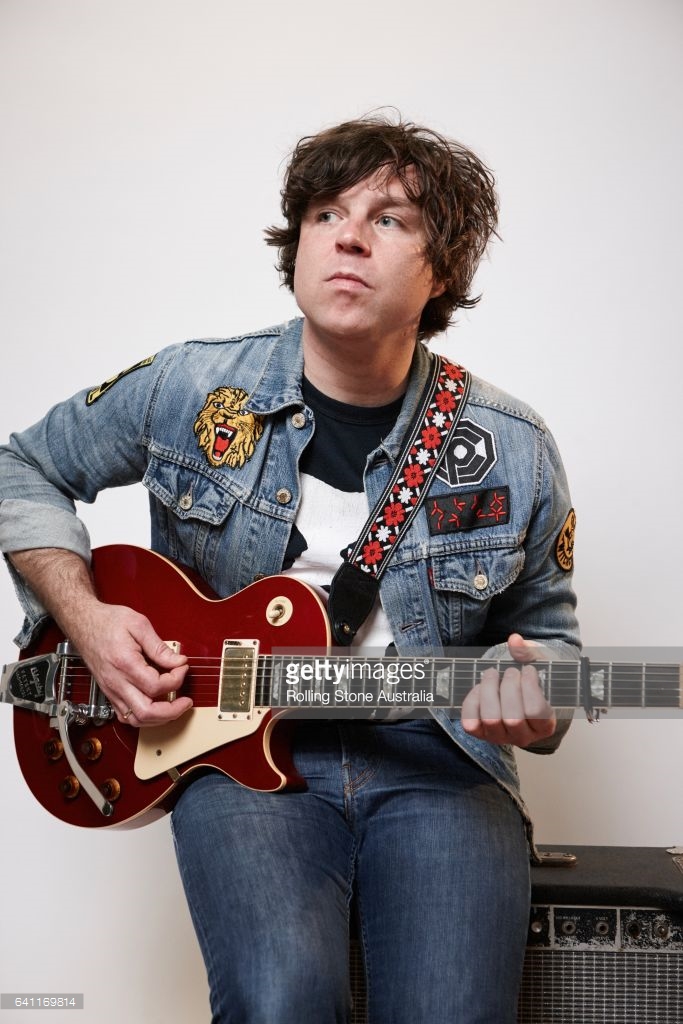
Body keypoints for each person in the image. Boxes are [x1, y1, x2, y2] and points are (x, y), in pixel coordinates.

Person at [0, 114, 579, 1023]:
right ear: (299, 242)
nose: (347, 237)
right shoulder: (190, 388)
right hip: (231, 756)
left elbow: (550, 646)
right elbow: (20, 467)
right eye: (325, 214)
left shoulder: (511, 446)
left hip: (435, 761)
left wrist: (539, 700)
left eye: (388, 219)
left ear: (441, 271)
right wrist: (86, 618)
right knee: (279, 1003)